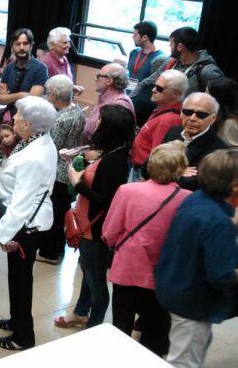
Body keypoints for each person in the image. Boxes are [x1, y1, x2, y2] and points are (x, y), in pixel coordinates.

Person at [101, 141, 191, 356]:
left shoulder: (127, 191)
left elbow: (109, 232)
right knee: (156, 328)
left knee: (121, 324)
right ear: (180, 169)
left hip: (128, 269)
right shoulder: (187, 198)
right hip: (162, 275)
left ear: (150, 165)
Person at [155, 149, 238, 368]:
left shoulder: (196, 199)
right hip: (193, 302)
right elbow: (222, 276)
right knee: (184, 360)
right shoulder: (219, 222)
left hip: (175, 285)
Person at [57, 105, 135, 331]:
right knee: (89, 271)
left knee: (96, 280)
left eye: (101, 121)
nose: (96, 124)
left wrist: (77, 182)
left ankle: (95, 326)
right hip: (88, 222)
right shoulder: (114, 151)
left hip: (95, 228)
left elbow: (104, 199)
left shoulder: (115, 160)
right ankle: (81, 311)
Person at [0, 96, 57, 351]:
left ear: (28, 124)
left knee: (20, 281)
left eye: (17, 115)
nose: (12, 118)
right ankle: (16, 319)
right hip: (28, 221)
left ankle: (23, 336)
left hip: (26, 228)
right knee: (18, 278)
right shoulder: (38, 140)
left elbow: (21, 204)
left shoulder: (33, 157)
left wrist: (2, 236)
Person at [37, 75, 85, 264]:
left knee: (54, 214)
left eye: (48, 92)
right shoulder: (77, 111)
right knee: (61, 211)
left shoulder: (59, 119)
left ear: (55, 94)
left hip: (58, 172)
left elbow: (52, 147)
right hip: (70, 167)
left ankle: (50, 253)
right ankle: (58, 250)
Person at [159, 92, 227, 190]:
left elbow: (191, 183)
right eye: (187, 112)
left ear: (213, 119)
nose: (192, 118)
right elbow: (148, 166)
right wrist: (179, 172)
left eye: (201, 115)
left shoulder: (218, 150)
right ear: (181, 112)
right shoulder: (173, 131)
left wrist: (162, 168)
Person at [130, 70, 187, 180]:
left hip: (144, 175)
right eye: (155, 86)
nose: (153, 90)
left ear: (176, 94)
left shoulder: (167, 120)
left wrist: (145, 179)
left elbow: (158, 157)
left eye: (159, 88)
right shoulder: (163, 109)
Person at [0, 28, 48, 122]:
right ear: (12, 47)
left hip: (29, 122)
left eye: (25, 43)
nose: (22, 47)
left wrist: (8, 96)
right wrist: (20, 95)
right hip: (10, 120)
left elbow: (32, 101)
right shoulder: (9, 68)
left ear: (31, 46)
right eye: (18, 44)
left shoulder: (41, 69)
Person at [83, 63, 135, 141]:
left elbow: (111, 140)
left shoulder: (119, 104)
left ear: (109, 81)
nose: (95, 79)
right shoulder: (104, 97)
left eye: (98, 76)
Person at [207, 76, 238, 146]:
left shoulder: (229, 124)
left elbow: (231, 154)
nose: (203, 95)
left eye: (207, 92)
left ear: (217, 98)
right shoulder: (218, 117)